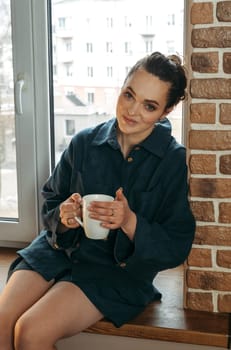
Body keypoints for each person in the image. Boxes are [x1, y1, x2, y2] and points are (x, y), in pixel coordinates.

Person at [0, 51, 195, 350]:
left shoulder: (173, 161)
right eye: (129, 95)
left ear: (166, 111)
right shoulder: (84, 142)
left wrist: (130, 222)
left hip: (115, 273)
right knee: (2, 321)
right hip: (56, 252)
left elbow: (176, 244)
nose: (132, 110)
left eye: (149, 105)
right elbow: (51, 200)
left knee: (30, 333)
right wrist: (63, 217)